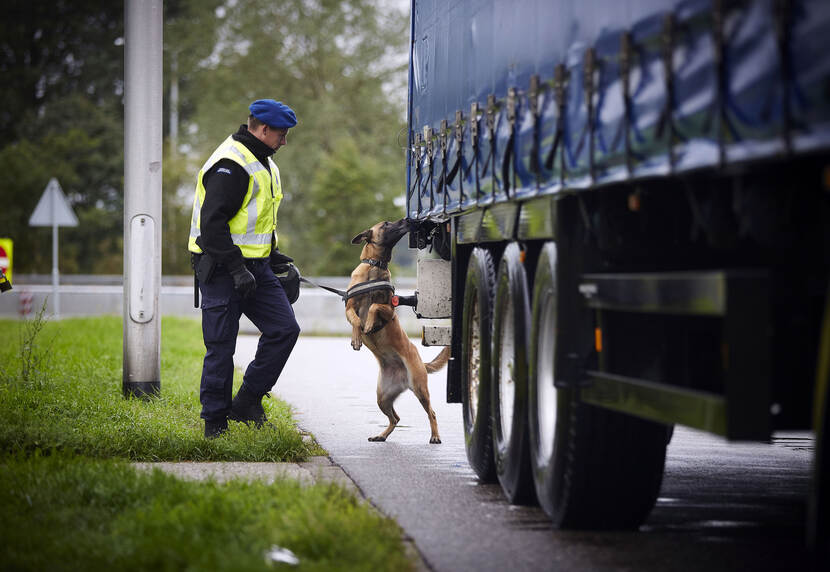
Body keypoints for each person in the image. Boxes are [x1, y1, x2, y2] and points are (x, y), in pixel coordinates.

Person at [187, 99, 301, 438]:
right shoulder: (231, 163)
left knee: (284, 329)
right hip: (221, 269)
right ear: (263, 130)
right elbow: (212, 225)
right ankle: (215, 424)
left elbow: (257, 220)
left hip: (256, 267)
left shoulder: (264, 162)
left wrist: (274, 255)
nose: (285, 141)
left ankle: (248, 401)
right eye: (282, 134)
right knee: (221, 347)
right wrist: (237, 269)